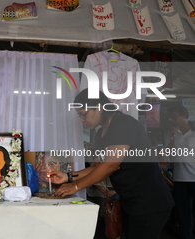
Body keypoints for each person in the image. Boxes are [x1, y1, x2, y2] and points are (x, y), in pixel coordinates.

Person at [50, 89, 174, 239]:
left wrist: (76, 186)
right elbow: (97, 167)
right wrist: (68, 177)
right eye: (79, 116)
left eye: (84, 114)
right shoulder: (100, 134)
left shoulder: (123, 124)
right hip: (131, 201)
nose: (82, 120)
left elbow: (111, 165)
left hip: (150, 201)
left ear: (99, 107)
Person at [168, 105, 195, 239]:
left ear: (184, 115)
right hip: (180, 179)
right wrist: (173, 137)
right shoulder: (175, 133)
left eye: (176, 117)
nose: (174, 120)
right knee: (183, 214)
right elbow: (170, 153)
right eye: (172, 118)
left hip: (194, 177)